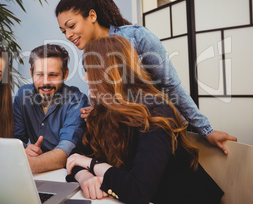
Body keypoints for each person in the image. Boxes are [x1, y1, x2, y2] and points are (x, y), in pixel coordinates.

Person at [55, 0, 237, 154]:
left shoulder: (136, 37)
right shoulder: (88, 58)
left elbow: (172, 87)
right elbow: (109, 102)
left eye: (71, 26)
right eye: (63, 31)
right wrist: (95, 111)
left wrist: (206, 130)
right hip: (125, 140)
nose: (68, 35)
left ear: (92, 16)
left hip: (160, 131)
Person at [66, 35, 224, 203]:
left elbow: (138, 192)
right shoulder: (102, 112)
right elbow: (77, 155)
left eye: (90, 70)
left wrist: (93, 165)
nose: (85, 78)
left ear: (112, 73)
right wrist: (84, 177)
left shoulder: (157, 113)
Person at [13, 44, 88, 173]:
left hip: (69, 174)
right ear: (31, 73)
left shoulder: (77, 100)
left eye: (53, 75)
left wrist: (24, 164)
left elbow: (64, 153)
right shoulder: (22, 95)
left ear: (65, 74)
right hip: (35, 173)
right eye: (39, 74)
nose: (45, 82)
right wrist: (25, 149)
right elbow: (15, 141)